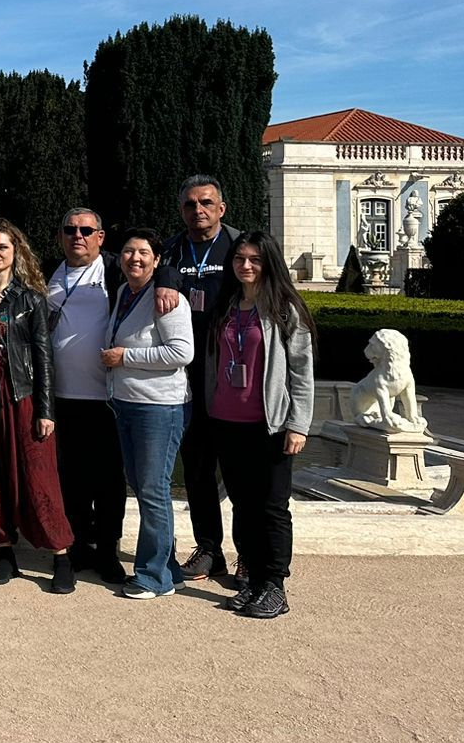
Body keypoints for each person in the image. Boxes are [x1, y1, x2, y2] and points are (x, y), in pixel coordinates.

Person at [201, 232, 314, 621]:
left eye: (255, 259)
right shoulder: (227, 307)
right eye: (239, 259)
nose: (245, 266)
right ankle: (251, 573)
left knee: (272, 507)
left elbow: (301, 372)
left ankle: (275, 584)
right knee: (243, 505)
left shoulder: (284, 309)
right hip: (227, 421)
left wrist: (298, 425)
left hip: (270, 425)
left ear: (269, 263)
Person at [0, 220, 72, 592]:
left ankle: (60, 556)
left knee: (37, 475)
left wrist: (46, 410)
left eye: (2, 248)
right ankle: (5, 553)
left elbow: (43, 357)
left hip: (20, 395)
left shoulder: (30, 300)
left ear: (15, 251)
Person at [102, 229, 194, 600]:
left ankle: (154, 576)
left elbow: (180, 352)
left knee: (153, 490)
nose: (134, 258)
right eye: (127, 251)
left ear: (157, 261)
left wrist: (126, 357)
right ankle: (167, 566)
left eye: (143, 253)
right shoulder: (126, 292)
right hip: (128, 402)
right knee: (144, 486)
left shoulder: (168, 300)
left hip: (159, 406)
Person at [162, 174, 243, 583]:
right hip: (187, 374)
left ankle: (248, 554)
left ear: (221, 208)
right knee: (196, 469)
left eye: (206, 203)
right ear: (182, 210)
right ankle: (210, 549)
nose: (199, 210)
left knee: (238, 470)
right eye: (191, 204)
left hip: (230, 371)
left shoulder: (239, 247)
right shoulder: (172, 250)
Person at [47, 207, 131, 585]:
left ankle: (109, 550)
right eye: (70, 229)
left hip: (107, 397)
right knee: (71, 478)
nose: (77, 236)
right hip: (62, 396)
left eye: (85, 230)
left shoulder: (114, 270)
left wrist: (164, 279)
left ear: (100, 237)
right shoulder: (48, 272)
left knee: (110, 480)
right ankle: (79, 544)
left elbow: (158, 265)